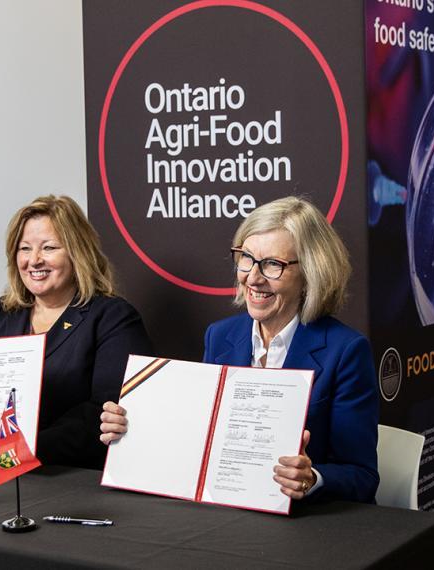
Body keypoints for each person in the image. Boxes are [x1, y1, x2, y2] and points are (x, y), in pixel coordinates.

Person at [100, 196, 379, 503]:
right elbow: (199, 441)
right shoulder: (219, 337)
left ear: (311, 273)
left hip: (308, 526)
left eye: (273, 264)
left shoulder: (345, 351)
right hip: (227, 516)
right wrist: (135, 426)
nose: (253, 278)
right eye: (246, 258)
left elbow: (362, 476)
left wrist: (312, 479)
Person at [0, 195, 153, 471]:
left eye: (49, 247)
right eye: (24, 248)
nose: (34, 260)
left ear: (77, 253)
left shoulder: (112, 317)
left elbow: (103, 414)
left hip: (69, 478)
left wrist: (16, 452)